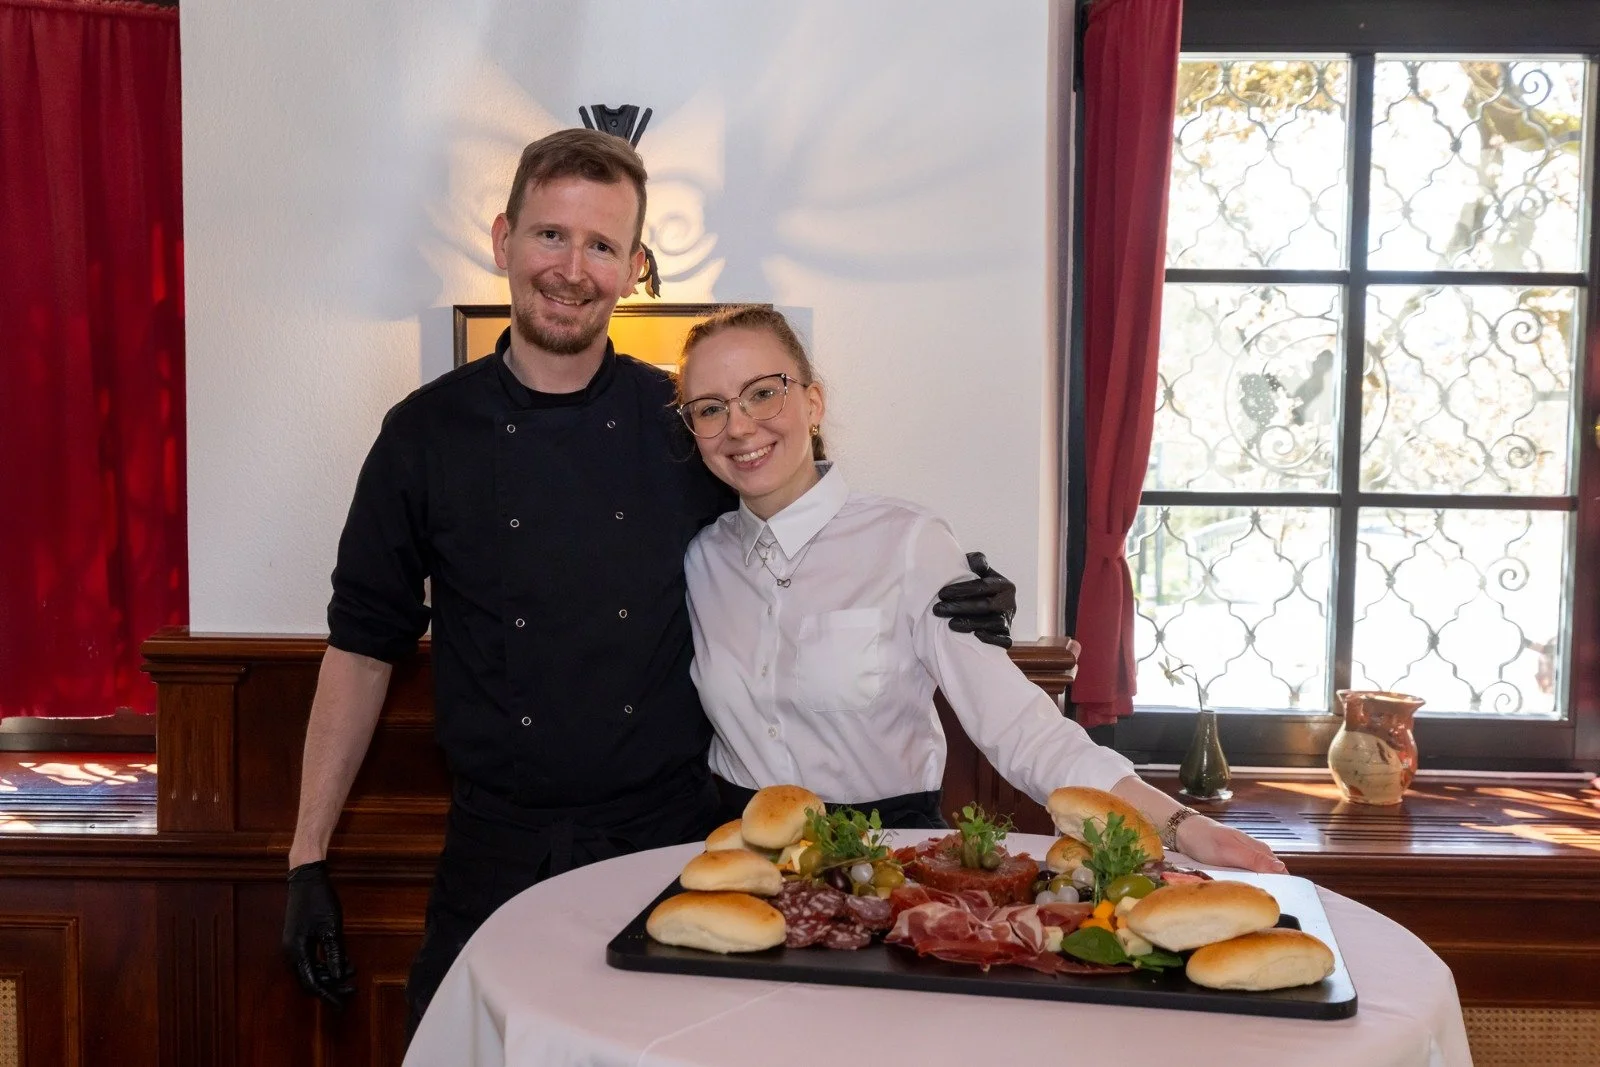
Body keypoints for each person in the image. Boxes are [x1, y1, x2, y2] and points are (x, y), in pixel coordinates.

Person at [280, 129, 1019, 1033]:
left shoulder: (680, 425)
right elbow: (361, 647)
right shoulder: (422, 436)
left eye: (601, 246)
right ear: (504, 237)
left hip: (666, 840)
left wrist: (957, 585)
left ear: (634, 268)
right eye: (551, 235)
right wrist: (306, 857)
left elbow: (796, 528)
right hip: (491, 842)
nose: (572, 268)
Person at [675, 305, 1287, 872]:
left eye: (762, 393)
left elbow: (1017, 724)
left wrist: (1180, 825)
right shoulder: (699, 560)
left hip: (888, 863)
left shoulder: (909, 543)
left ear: (813, 403)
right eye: (710, 408)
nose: (739, 425)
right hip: (739, 865)